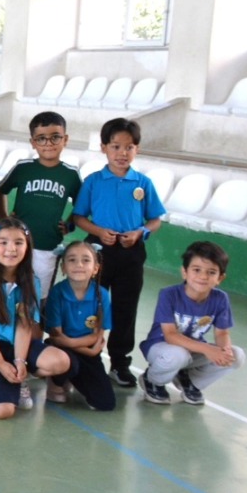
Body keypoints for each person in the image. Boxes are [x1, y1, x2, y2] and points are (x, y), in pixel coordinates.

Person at [71, 117, 165, 388]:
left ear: (137, 149)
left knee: (126, 308)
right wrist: (99, 231)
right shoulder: (93, 181)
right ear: (104, 148)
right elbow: (79, 217)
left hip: (131, 253)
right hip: (98, 252)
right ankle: (85, 357)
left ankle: (120, 363)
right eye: (116, 147)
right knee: (92, 305)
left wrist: (140, 232)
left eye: (129, 147)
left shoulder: (143, 183)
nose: (122, 153)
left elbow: (155, 220)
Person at [0, 218, 70, 419]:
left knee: (60, 361)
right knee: (3, 412)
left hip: (14, 344)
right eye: (3, 242)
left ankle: (19, 380)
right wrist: (1, 364)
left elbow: (24, 325)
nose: (11, 249)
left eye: (18, 242)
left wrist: (20, 360)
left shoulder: (31, 280)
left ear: (27, 247)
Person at [139, 240, 245, 406]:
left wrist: (224, 352)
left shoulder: (220, 298)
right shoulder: (169, 294)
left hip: (193, 350)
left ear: (220, 278)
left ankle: (189, 381)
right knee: (178, 355)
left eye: (211, 272)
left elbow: (222, 332)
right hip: (162, 348)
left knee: (236, 355)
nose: (203, 276)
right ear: (184, 272)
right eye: (196, 270)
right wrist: (208, 349)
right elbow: (170, 335)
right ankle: (152, 381)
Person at [0, 111, 82, 299]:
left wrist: (69, 224)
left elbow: (82, 205)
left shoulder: (70, 174)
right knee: (9, 292)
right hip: (17, 243)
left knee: (40, 296)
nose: (48, 143)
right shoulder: (23, 167)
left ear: (65, 139)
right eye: (41, 138)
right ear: (33, 142)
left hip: (48, 245)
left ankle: (36, 318)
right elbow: (0, 191)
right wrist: (4, 219)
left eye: (55, 137)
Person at [42, 242, 115, 411]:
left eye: (86, 260)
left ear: (95, 268)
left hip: (85, 350)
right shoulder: (57, 293)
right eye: (72, 260)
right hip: (61, 350)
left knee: (105, 403)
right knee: (67, 363)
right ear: (63, 267)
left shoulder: (102, 295)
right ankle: (56, 382)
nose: (79, 265)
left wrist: (87, 349)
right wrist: (88, 350)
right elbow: (56, 337)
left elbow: (97, 335)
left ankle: (73, 376)